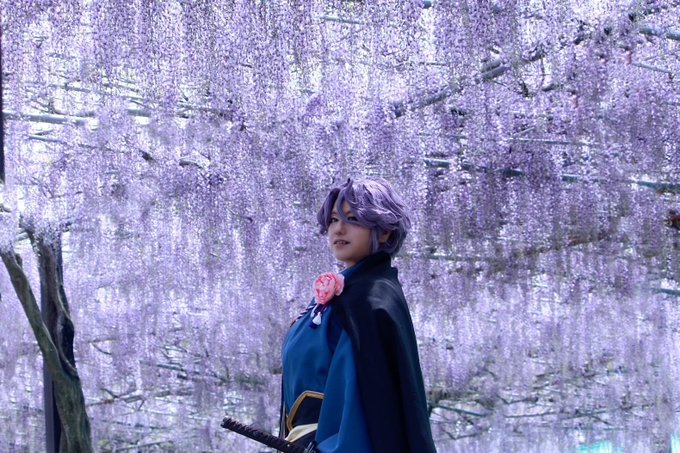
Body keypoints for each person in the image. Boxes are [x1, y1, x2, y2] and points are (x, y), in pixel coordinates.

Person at [280, 178, 437, 453]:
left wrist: (326, 448)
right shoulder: (341, 297)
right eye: (333, 220)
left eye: (353, 219)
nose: (338, 229)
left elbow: (362, 399)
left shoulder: (371, 299)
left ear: (385, 231)